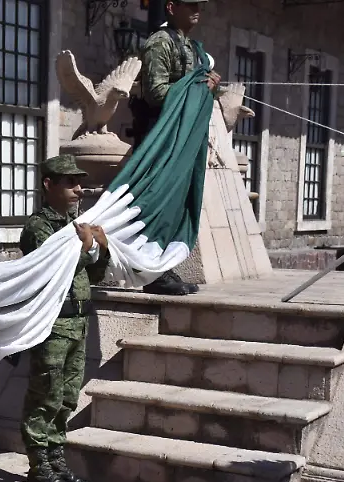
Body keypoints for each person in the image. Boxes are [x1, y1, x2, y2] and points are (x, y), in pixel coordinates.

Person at [18, 155, 108, 482]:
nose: (78, 189)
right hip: (53, 324)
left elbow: (94, 274)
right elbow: (54, 268)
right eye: (70, 182)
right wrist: (85, 247)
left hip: (78, 322)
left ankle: (56, 461)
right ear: (49, 184)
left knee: (67, 397)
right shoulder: (39, 227)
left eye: (79, 182)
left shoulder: (76, 224)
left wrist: (101, 248)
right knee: (46, 394)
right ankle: (39, 467)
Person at [132, 0, 220, 296]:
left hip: (183, 137)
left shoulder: (193, 48)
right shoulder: (160, 42)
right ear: (171, 7)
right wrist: (197, 86)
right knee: (159, 202)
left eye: (199, 5)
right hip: (162, 137)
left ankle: (161, 266)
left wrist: (212, 84)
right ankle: (152, 272)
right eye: (189, 4)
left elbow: (199, 86)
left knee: (176, 204)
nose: (196, 10)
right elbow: (156, 93)